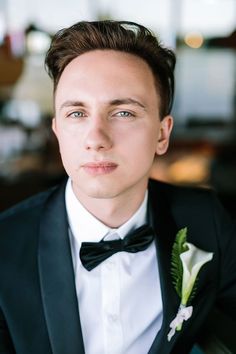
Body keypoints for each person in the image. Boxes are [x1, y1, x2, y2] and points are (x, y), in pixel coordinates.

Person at [0, 20, 235, 354]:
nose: (96, 139)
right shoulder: (6, 245)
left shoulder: (205, 220)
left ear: (162, 134)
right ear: (57, 130)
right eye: (77, 113)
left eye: (123, 112)